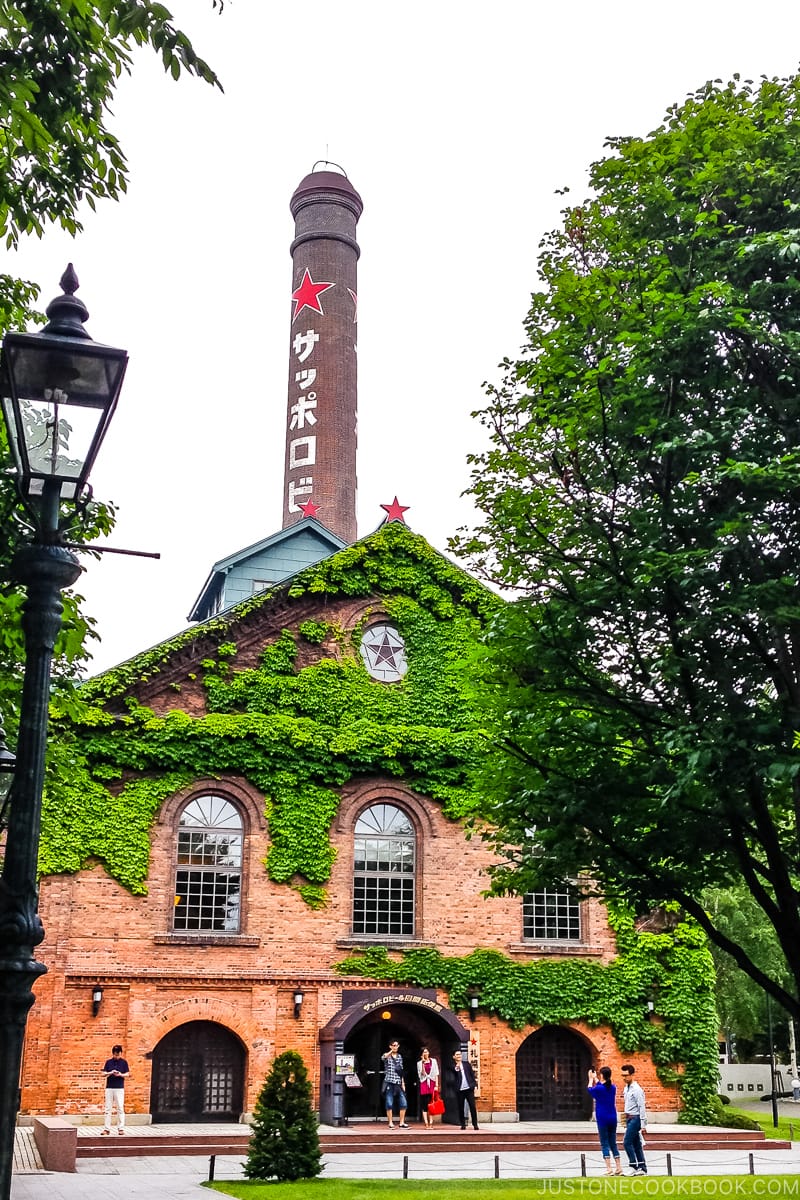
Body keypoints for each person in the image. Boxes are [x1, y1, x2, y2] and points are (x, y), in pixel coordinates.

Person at [588, 1066, 623, 1175]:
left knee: (604, 1143)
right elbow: (602, 1086)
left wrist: (590, 1079)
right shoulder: (612, 1087)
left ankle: (609, 1168)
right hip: (612, 1117)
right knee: (613, 1142)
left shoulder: (599, 1089)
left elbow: (590, 1089)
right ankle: (619, 1167)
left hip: (602, 1117)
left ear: (602, 1075)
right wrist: (596, 1079)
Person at [621, 1064, 647, 1174]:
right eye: (622, 1075)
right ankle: (642, 1167)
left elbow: (642, 1107)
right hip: (629, 1118)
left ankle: (633, 1165)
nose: (624, 1078)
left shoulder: (637, 1090)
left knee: (627, 1142)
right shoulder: (626, 1089)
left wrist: (643, 1124)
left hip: (635, 1118)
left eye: (626, 1075)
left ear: (632, 1075)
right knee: (636, 1144)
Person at [101, 1044, 130, 1135]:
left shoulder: (124, 1062)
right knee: (107, 1109)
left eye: (118, 1054)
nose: (116, 1056)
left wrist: (120, 1074)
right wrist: (110, 1072)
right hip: (109, 1087)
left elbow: (128, 1074)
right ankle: (107, 1129)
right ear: (112, 1053)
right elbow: (103, 1073)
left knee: (120, 1108)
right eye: (115, 1054)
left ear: (121, 1053)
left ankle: (121, 1128)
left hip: (119, 1088)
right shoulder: (108, 1062)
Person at [381, 1040, 407, 1128]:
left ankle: (402, 1122)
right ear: (390, 1046)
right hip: (389, 1082)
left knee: (403, 1103)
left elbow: (401, 1070)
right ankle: (390, 1122)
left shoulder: (400, 1057)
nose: (396, 1047)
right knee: (389, 1103)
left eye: (397, 1045)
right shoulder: (387, 1055)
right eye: (393, 1045)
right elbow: (383, 1058)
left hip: (398, 1082)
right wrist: (392, 1050)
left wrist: (403, 1082)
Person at [452, 1049, 479, 1130]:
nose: (459, 1056)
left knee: (472, 1106)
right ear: (454, 1057)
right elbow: (454, 1072)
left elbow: (472, 1075)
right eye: (457, 1054)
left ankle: (475, 1124)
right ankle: (463, 1124)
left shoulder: (467, 1064)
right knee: (461, 1107)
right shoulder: (453, 1066)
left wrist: (474, 1085)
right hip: (460, 1090)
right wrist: (457, 1067)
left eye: (460, 1054)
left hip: (469, 1088)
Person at [417, 1047, 440, 1127]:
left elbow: (436, 1073)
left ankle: (431, 1122)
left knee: (431, 1103)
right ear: (421, 1054)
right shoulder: (419, 1063)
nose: (425, 1053)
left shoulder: (433, 1061)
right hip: (424, 1084)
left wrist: (436, 1085)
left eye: (426, 1052)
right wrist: (423, 1064)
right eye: (424, 1052)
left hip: (432, 1083)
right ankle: (426, 1123)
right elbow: (421, 1074)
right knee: (424, 1104)